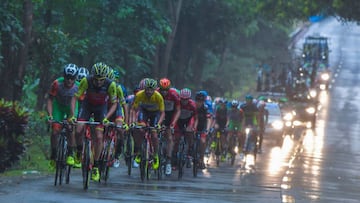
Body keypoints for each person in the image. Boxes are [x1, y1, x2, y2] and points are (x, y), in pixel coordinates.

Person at [70, 62, 118, 181]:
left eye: (101, 80)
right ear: (92, 77)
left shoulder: (110, 84)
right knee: (79, 129)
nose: (98, 82)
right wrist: (72, 115)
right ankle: (79, 151)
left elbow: (114, 104)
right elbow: (75, 97)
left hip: (101, 108)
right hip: (87, 106)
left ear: (105, 78)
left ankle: (96, 166)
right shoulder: (86, 81)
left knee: (99, 137)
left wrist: (107, 117)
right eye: (96, 79)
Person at [46, 63, 79, 169]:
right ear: (64, 76)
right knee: (55, 131)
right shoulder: (56, 83)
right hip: (58, 107)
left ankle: (70, 153)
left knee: (70, 128)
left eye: (72, 78)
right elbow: (50, 100)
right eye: (67, 77)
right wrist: (50, 115)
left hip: (71, 109)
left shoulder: (79, 86)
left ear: (76, 78)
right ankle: (53, 155)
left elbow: (83, 103)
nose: (69, 80)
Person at [129, 78, 165, 170]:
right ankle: (140, 152)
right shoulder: (139, 95)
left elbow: (162, 113)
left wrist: (159, 124)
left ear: (154, 90)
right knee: (139, 129)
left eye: (151, 90)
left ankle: (156, 155)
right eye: (147, 89)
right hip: (144, 112)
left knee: (154, 134)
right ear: (144, 89)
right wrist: (132, 122)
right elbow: (133, 109)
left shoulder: (158, 96)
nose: (149, 92)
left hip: (155, 113)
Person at [158, 78, 181, 175]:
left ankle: (168, 161)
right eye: (162, 90)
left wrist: (172, 124)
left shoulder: (174, 95)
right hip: (159, 114)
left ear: (169, 89)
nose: (164, 92)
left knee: (169, 137)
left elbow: (178, 110)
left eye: (166, 90)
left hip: (170, 116)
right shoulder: (156, 93)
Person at [107, 68, 129, 168]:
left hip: (117, 111)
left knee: (119, 130)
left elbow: (124, 105)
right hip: (105, 110)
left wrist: (126, 122)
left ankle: (117, 154)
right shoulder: (101, 87)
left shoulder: (119, 88)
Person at [173, 88, 197, 169]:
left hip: (188, 120)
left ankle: (190, 150)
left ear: (189, 99)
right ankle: (175, 157)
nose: (184, 101)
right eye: (182, 99)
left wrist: (194, 128)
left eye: (186, 99)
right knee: (176, 139)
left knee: (189, 132)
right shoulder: (177, 103)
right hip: (178, 121)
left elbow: (196, 118)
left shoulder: (193, 105)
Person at [194, 91, 212, 169]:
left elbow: (208, 119)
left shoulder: (205, 108)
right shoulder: (193, 106)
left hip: (203, 126)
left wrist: (207, 129)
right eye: (198, 101)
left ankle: (201, 159)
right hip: (194, 125)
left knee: (202, 141)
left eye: (201, 101)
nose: (199, 103)